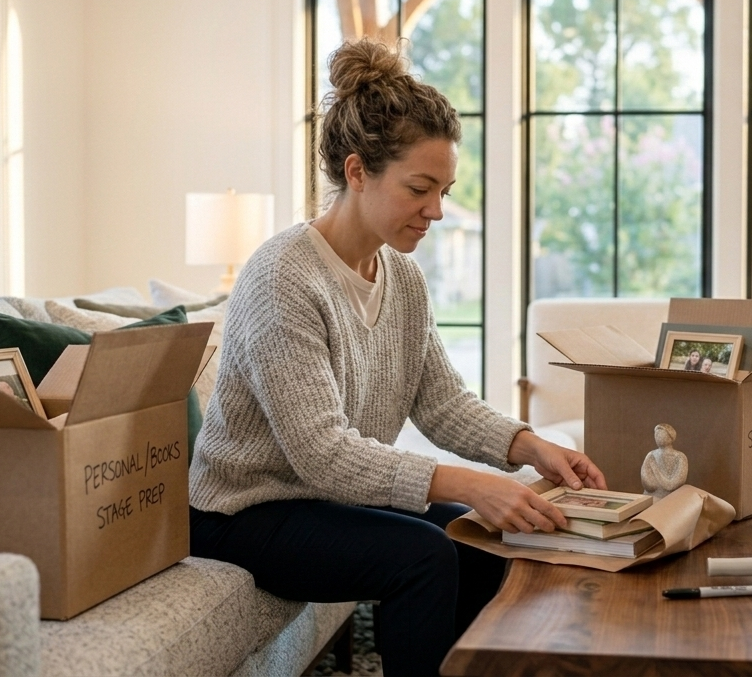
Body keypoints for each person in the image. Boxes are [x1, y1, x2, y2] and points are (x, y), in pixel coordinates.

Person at [187, 38, 605, 676]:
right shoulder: (282, 277)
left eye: (444, 189)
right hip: (244, 512)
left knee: (481, 535)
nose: (436, 211)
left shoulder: (401, 278)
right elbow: (322, 454)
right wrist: (471, 482)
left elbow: (441, 401)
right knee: (425, 555)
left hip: (319, 500)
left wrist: (531, 448)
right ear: (357, 172)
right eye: (420, 188)